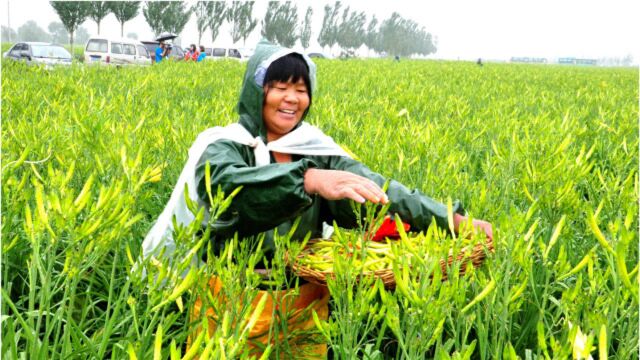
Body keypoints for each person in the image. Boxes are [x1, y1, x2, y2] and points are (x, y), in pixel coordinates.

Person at [142, 39, 493, 356]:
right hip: (233, 303)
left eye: (300, 88)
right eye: (279, 87)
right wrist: (307, 180)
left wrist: (451, 219)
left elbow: (379, 189)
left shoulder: (314, 148)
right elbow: (227, 189)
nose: (292, 98)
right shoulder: (224, 146)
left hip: (303, 303)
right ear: (256, 92)